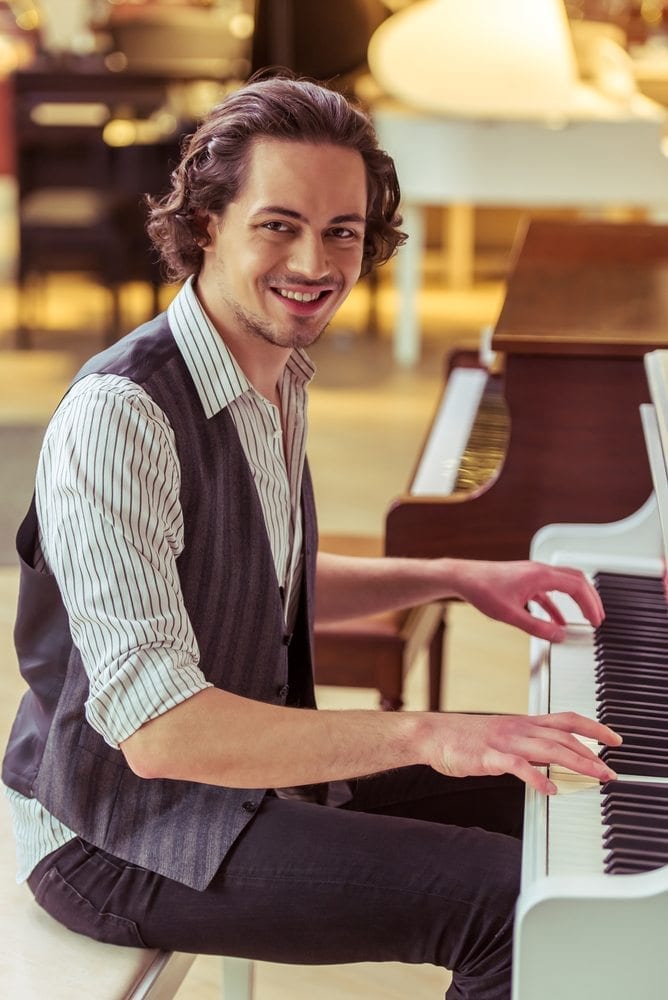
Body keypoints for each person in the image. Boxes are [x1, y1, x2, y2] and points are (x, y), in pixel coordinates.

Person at [3, 74, 620, 1000]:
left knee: (576, 829)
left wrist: (454, 575)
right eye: (279, 224)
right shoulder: (121, 418)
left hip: (238, 780)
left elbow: (257, 576)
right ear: (207, 222)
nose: (316, 261)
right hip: (118, 834)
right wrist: (431, 733)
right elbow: (161, 737)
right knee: (512, 907)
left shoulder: (276, 372)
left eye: (342, 231)